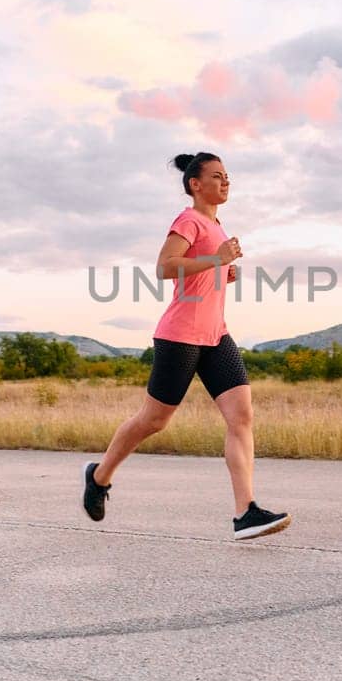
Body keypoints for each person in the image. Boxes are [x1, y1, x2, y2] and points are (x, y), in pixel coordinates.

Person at [82, 152, 291, 541]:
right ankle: (99, 476)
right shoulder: (188, 220)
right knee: (154, 422)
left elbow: (197, 275)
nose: (226, 182)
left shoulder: (215, 222)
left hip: (216, 336)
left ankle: (245, 512)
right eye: (217, 176)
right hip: (180, 335)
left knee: (241, 416)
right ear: (196, 184)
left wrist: (222, 272)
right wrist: (216, 258)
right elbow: (164, 267)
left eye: (228, 176)